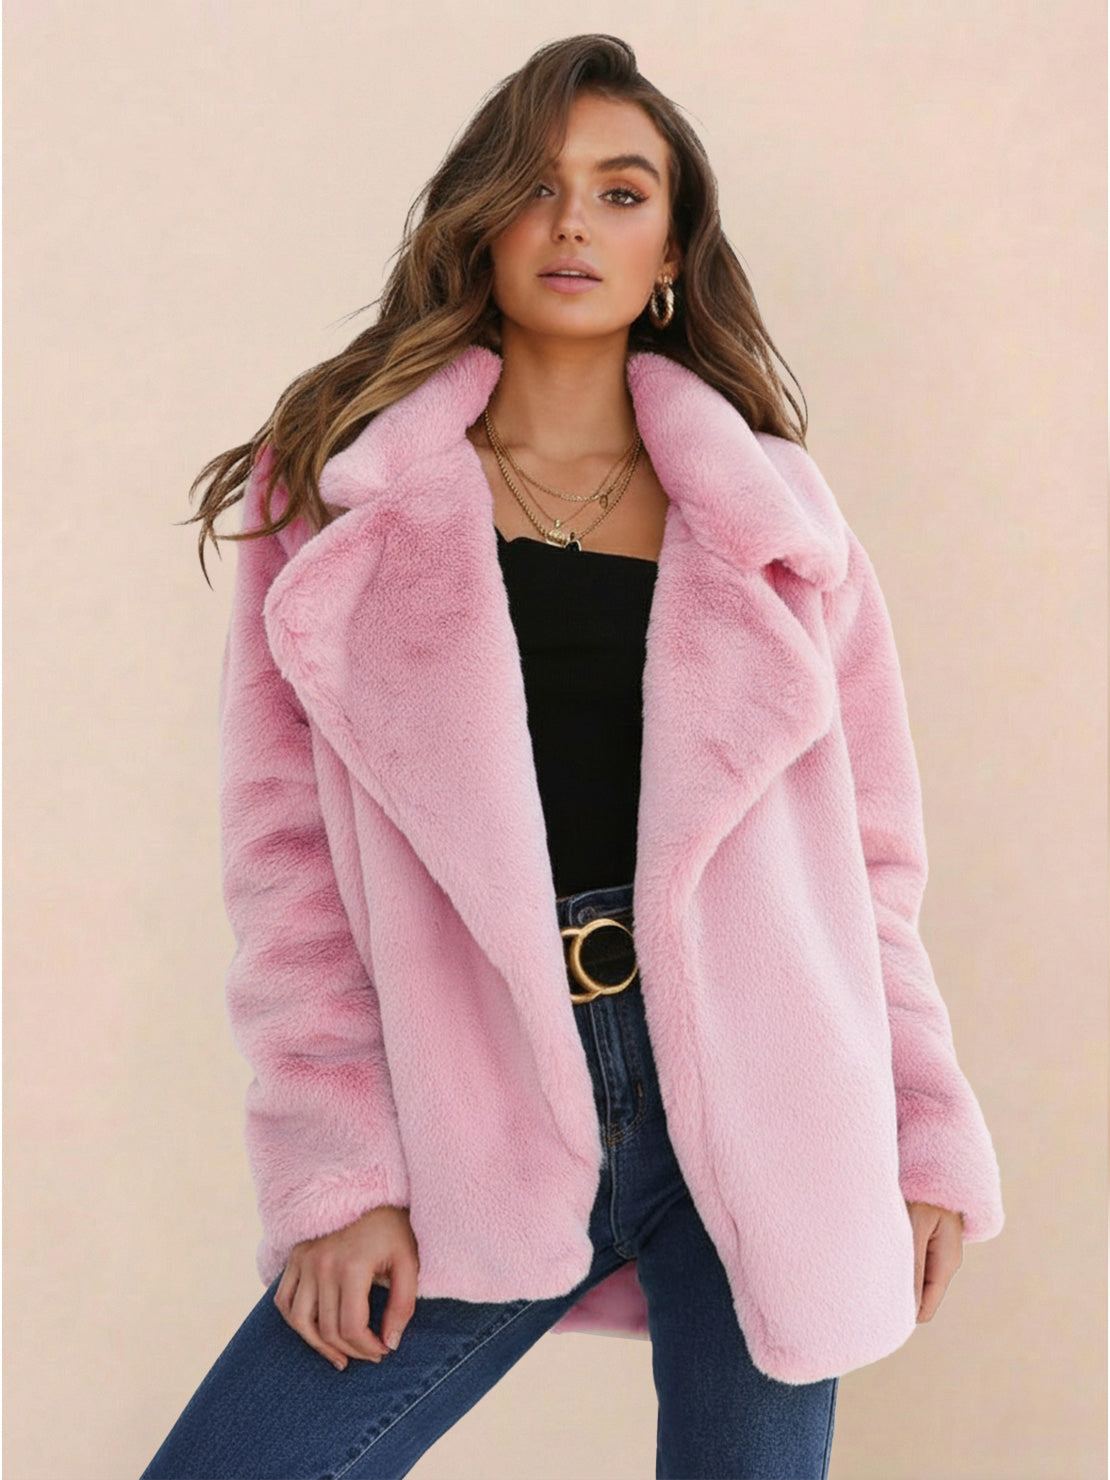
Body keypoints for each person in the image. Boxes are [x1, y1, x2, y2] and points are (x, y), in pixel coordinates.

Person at [140, 32, 1003, 1480]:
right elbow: (286, 870)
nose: (573, 224)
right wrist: (337, 1173)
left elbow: (870, 868)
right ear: (480, 222)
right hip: (477, 1092)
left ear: (670, 249)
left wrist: (921, 1134)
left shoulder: (776, 520)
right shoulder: (345, 498)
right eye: (538, 187)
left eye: (620, 191)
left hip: (772, 1094)